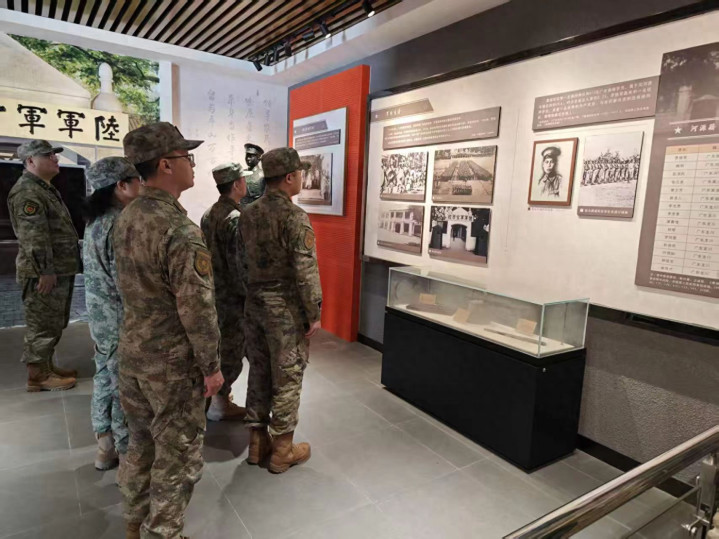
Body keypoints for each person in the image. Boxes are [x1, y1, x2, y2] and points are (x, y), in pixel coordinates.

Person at [113, 122, 224, 539]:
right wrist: (211, 367)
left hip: (134, 353)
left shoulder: (128, 216)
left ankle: (134, 524)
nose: (192, 165)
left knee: (141, 443)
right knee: (177, 455)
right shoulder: (178, 229)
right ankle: (163, 533)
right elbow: (198, 309)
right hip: (171, 365)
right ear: (165, 165)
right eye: (186, 157)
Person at [240, 147, 322, 474]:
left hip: (254, 304)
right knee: (287, 375)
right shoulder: (294, 216)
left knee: (259, 370)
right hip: (284, 310)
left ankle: (257, 442)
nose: (301, 178)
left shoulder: (247, 214)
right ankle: (282, 451)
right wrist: (313, 312)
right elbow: (305, 270)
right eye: (300, 173)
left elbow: (239, 263)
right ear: (289, 177)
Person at [82, 157, 141, 471]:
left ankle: (104, 444)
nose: (142, 185)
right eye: (137, 180)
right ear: (121, 186)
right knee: (123, 384)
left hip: (101, 317)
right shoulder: (121, 224)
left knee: (105, 376)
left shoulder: (97, 220)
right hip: (120, 318)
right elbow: (127, 283)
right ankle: (126, 450)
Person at [7, 140, 79, 392]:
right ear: (30, 161)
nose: (55, 159)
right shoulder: (28, 192)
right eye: (48, 155)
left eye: (54, 155)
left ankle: (45, 366)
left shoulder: (42, 188)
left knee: (53, 321)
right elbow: (34, 237)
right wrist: (45, 271)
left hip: (57, 268)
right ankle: (37, 375)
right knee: (42, 323)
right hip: (45, 273)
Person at [201, 163, 252, 422]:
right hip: (231, 298)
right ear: (236, 184)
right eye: (243, 179)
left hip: (212, 294)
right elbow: (239, 266)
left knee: (219, 348)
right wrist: (250, 297)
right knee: (231, 353)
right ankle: (219, 403)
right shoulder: (235, 219)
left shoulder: (209, 214)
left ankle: (215, 401)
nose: (246, 183)